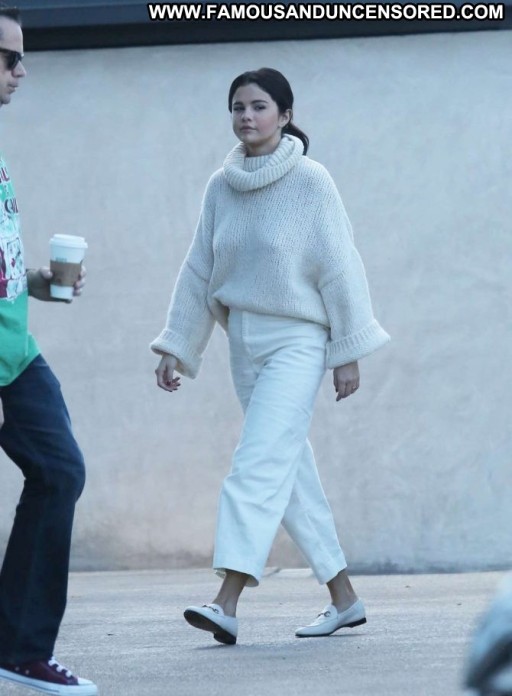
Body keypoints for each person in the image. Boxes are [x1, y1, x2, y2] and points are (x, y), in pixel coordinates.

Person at [152, 67, 390, 645]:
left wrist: (347, 350)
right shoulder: (221, 186)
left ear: (285, 115)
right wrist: (178, 345)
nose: (247, 116)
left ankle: (226, 602)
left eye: (259, 106)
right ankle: (345, 599)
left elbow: (340, 264)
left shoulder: (311, 180)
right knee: (289, 471)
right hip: (244, 342)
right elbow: (199, 269)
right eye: (238, 107)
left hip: (297, 341)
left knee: (256, 464)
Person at [0, 7, 97, 695]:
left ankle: (20, 649)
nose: (21, 71)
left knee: (60, 471)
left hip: (16, 351)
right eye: (8, 58)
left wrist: (32, 280)